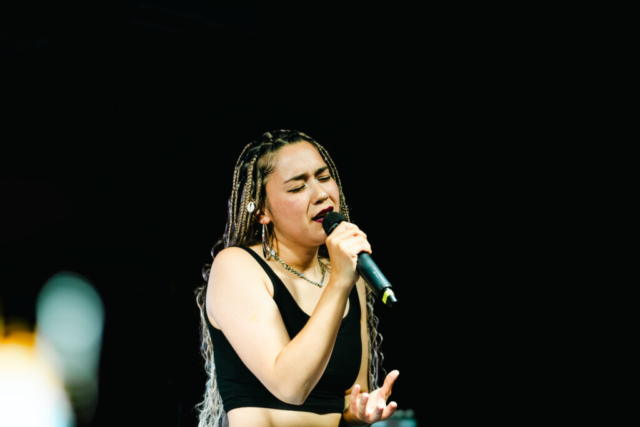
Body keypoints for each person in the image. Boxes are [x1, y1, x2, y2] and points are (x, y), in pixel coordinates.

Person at [195, 130, 399, 427]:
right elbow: (290, 386)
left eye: (324, 177)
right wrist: (339, 282)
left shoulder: (348, 277)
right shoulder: (236, 266)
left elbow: (352, 394)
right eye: (297, 187)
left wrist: (358, 412)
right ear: (261, 210)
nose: (321, 194)